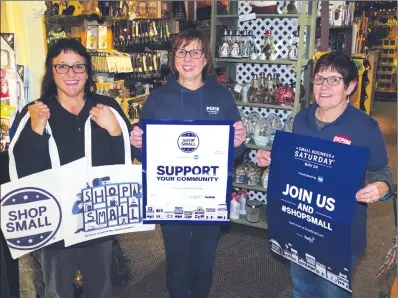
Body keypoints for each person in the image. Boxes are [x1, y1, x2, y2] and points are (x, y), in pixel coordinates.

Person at [256, 52, 393, 298]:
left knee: (333, 294)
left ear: (350, 86)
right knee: (301, 288)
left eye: (334, 80)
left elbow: (383, 172)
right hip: (301, 220)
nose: (324, 87)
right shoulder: (301, 120)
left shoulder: (365, 128)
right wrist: (272, 160)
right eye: (319, 79)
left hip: (340, 230)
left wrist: (382, 188)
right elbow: (295, 164)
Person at [12, 38, 133, 298]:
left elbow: (126, 161)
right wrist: (35, 131)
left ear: (88, 71)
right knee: (57, 289)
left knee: (100, 287)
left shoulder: (106, 107)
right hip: (56, 220)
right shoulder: (35, 112)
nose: (71, 74)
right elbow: (23, 174)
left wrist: (114, 130)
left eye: (78, 66)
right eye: (62, 67)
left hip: (98, 217)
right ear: (51, 70)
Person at [130, 28, 246, 298]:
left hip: (209, 196)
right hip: (171, 198)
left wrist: (238, 142)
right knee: (178, 263)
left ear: (206, 59)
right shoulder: (157, 99)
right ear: (174, 58)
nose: (189, 58)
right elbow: (145, 154)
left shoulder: (222, 97)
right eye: (182, 51)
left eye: (196, 51)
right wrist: (137, 144)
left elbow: (235, 153)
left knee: (204, 263)